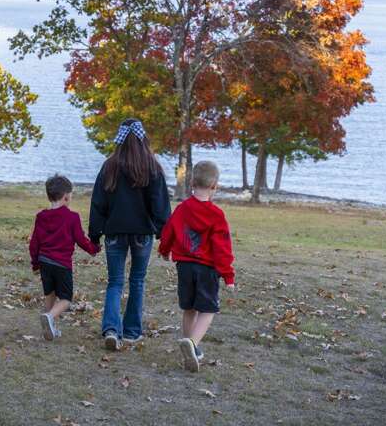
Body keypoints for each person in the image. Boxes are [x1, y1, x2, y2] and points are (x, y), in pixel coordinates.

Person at [89, 119, 171, 350]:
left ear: (120, 139)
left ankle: (112, 329)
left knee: (115, 282)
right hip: (142, 233)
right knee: (137, 281)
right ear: (142, 138)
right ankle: (133, 331)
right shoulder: (152, 167)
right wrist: (163, 232)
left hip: (114, 231)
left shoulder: (109, 166)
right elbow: (160, 204)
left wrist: (95, 235)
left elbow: (98, 203)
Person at [158, 160, 235, 372]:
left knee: (189, 307)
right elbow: (222, 247)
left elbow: (168, 232)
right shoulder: (216, 215)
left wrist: (164, 250)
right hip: (206, 268)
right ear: (214, 186)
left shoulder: (182, 209)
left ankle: (190, 345)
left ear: (192, 182)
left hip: (185, 267)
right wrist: (228, 275)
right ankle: (192, 343)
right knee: (208, 309)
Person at [30, 174, 100, 341]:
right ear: (67, 196)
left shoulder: (41, 216)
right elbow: (81, 239)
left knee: (50, 294)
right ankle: (49, 318)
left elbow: (34, 242)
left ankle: (49, 329)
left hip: (45, 262)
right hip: (62, 264)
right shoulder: (72, 217)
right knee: (66, 299)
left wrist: (35, 263)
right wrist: (93, 248)